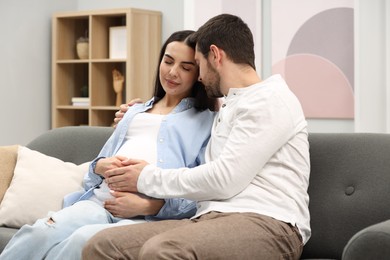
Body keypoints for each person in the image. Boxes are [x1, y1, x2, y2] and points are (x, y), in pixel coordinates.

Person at [82, 13, 311, 260]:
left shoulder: (270, 100)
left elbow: (225, 179)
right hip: (209, 218)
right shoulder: (229, 106)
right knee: (101, 245)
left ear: (215, 55)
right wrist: (137, 114)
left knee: (161, 250)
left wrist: (144, 177)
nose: (199, 77)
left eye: (198, 64)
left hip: (268, 223)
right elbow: (180, 125)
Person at [0, 30, 218, 260]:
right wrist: (100, 167)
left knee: (82, 241)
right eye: (168, 61)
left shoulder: (206, 122)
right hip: (98, 203)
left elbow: (202, 190)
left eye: (186, 67)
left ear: (199, 74)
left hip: (143, 218)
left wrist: (149, 206)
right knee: (41, 232)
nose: (173, 72)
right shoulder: (134, 112)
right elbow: (91, 175)